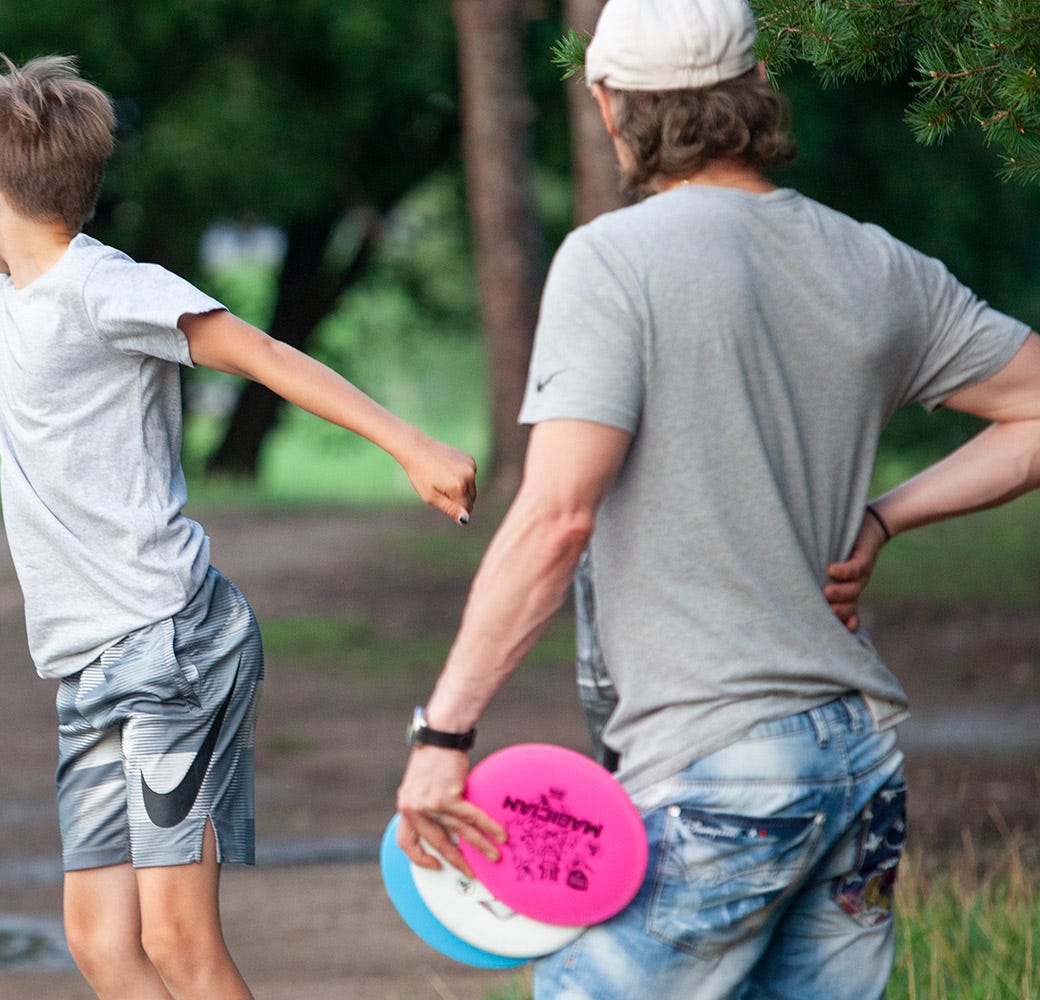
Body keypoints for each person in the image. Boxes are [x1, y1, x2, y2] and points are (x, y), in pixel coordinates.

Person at [393, 0, 1040, 996]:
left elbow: (555, 514)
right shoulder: (867, 260)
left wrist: (443, 733)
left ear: (612, 107)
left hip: (714, 770)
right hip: (856, 764)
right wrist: (885, 514)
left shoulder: (611, 262)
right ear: (751, 91)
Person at [0, 53, 478, 999]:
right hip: (87, 666)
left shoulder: (105, 289)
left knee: (177, 942)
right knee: (100, 945)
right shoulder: (14, 300)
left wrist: (406, 445)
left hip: (172, 649)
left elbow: (262, 352)